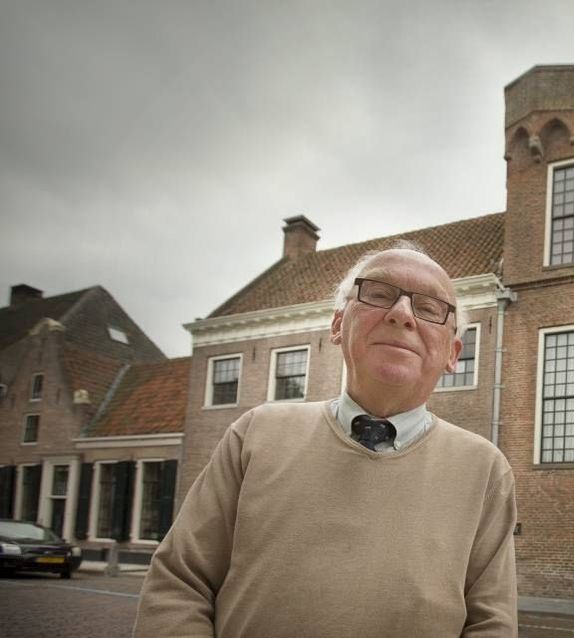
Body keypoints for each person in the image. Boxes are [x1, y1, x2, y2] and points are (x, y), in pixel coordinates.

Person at [134, 244, 518, 637]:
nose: (401, 314)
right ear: (337, 325)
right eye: (379, 294)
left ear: (453, 352)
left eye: (430, 308)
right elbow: (179, 583)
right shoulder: (256, 435)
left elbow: (491, 625)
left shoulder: (484, 471)